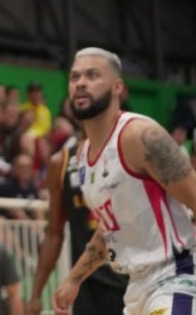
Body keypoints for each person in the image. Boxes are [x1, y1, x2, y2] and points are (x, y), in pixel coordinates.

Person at [50, 47, 196, 315]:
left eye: (92, 75)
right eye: (74, 77)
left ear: (118, 88)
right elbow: (110, 229)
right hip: (136, 287)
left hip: (176, 276)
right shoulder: (81, 155)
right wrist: (73, 279)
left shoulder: (140, 136)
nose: (80, 83)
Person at [27, 134, 127, 315]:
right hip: (88, 283)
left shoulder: (130, 150)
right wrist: (36, 294)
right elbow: (54, 233)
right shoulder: (63, 161)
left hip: (133, 276)